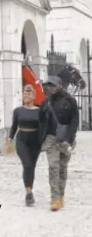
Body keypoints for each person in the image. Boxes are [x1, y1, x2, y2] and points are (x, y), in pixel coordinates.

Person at [39, 76, 79, 211]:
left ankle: (61, 195)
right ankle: (54, 197)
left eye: (53, 85)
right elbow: (41, 120)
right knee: (53, 167)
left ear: (60, 85)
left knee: (62, 168)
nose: (51, 87)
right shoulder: (46, 101)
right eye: (48, 85)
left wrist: (68, 140)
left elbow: (74, 123)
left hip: (66, 138)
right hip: (51, 138)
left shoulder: (70, 100)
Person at [6, 84, 47, 206]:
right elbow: (14, 127)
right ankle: (28, 193)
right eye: (24, 93)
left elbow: (44, 126)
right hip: (22, 139)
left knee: (32, 167)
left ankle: (30, 190)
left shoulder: (40, 111)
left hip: (35, 141)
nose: (26, 95)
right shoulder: (18, 111)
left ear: (34, 96)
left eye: (29, 93)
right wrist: (9, 140)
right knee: (27, 164)